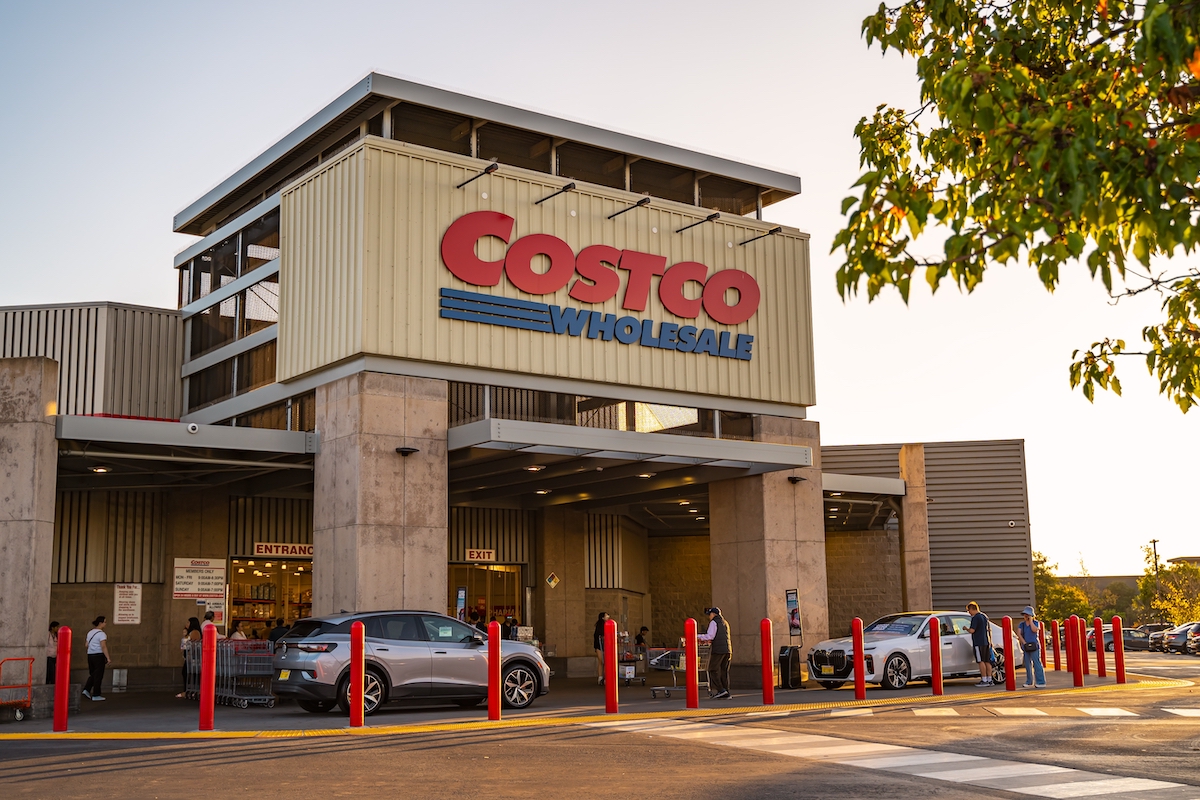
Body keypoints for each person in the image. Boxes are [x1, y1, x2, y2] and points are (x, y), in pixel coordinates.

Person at [697, 607, 732, 699]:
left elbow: (710, 636)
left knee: (712, 669)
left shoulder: (714, 622)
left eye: (710, 614)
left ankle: (720, 690)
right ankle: (726, 691)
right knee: (724, 671)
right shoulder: (725, 622)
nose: (709, 616)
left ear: (713, 614)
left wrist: (698, 636)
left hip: (718, 650)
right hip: (727, 650)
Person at [966, 602, 995, 687]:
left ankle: (984, 679)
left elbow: (972, 630)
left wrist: (966, 628)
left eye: (969, 610)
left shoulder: (975, 618)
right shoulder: (984, 616)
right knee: (987, 661)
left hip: (978, 642)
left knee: (980, 661)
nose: (969, 612)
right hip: (986, 642)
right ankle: (990, 679)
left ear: (972, 609)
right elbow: (989, 629)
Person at [81, 616, 111, 701]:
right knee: (98, 675)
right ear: (100, 623)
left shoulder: (90, 632)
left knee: (93, 674)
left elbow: (86, 645)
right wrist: (108, 658)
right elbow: (103, 646)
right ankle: (96, 694)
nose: (106, 624)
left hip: (90, 655)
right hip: (99, 655)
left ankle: (87, 690)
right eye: (105, 622)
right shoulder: (102, 634)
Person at [1018, 606, 1047, 689]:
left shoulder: (1036, 623)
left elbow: (1035, 630)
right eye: (1024, 614)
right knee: (1027, 664)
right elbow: (1019, 634)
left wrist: (1031, 621)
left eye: (1027, 615)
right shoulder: (1021, 624)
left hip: (1035, 646)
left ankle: (1041, 681)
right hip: (1026, 646)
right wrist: (1024, 643)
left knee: (1037, 663)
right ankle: (1029, 681)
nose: (1025, 616)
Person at [177, 617, 202, 698]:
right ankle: (191, 690)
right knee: (188, 673)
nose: (186, 624)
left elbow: (193, 644)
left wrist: (188, 653)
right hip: (191, 657)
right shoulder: (190, 632)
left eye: (188, 623)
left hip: (193, 657)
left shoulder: (194, 632)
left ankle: (189, 690)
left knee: (187, 672)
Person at [594, 612, 609, 685]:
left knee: (605, 662)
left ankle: (605, 677)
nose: (608, 616)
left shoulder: (608, 624)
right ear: (602, 617)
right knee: (601, 661)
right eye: (606, 615)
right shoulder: (600, 626)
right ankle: (600, 677)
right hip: (599, 645)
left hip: (605, 645)